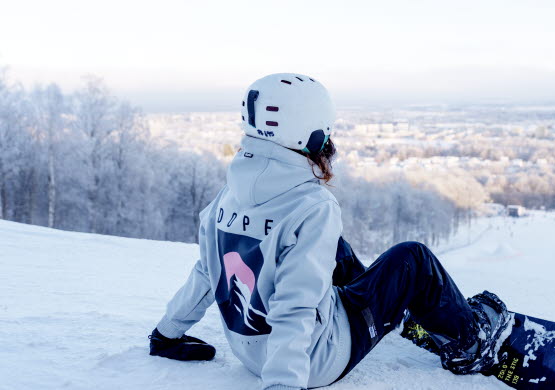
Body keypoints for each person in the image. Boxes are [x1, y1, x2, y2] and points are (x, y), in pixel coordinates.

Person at [149, 73, 509, 390]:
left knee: (333, 247)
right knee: (413, 258)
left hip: (251, 352)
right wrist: (282, 384)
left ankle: (391, 311)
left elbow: (207, 271)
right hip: (316, 359)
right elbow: (295, 305)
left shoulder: (229, 193)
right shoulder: (311, 205)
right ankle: (470, 347)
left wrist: (166, 334)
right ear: (311, 130)